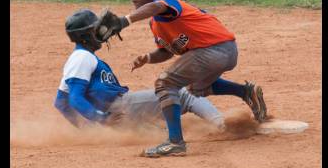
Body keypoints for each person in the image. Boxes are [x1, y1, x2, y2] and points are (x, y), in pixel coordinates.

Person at [97, 0, 268, 157]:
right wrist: (148, 57)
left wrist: (124, 20)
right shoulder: (155, 23)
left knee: (165, 83)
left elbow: (156, 7)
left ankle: (175, 142)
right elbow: (167, 51)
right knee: (195, 88)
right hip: (225, 51)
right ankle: (246, 92)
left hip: (213, 50)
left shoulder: (167, 2)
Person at [54, 9, 227, 138]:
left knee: (159, 134)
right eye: (95, 29)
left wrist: (89, 130)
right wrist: (101, 119)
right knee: (184, 94)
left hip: (118, 117)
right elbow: (74, 98)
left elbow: (60, 102)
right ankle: (223, 125)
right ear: (86, 36)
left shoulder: (79, 58)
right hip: (122, 107)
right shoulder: (82, 58)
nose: (101, 30)